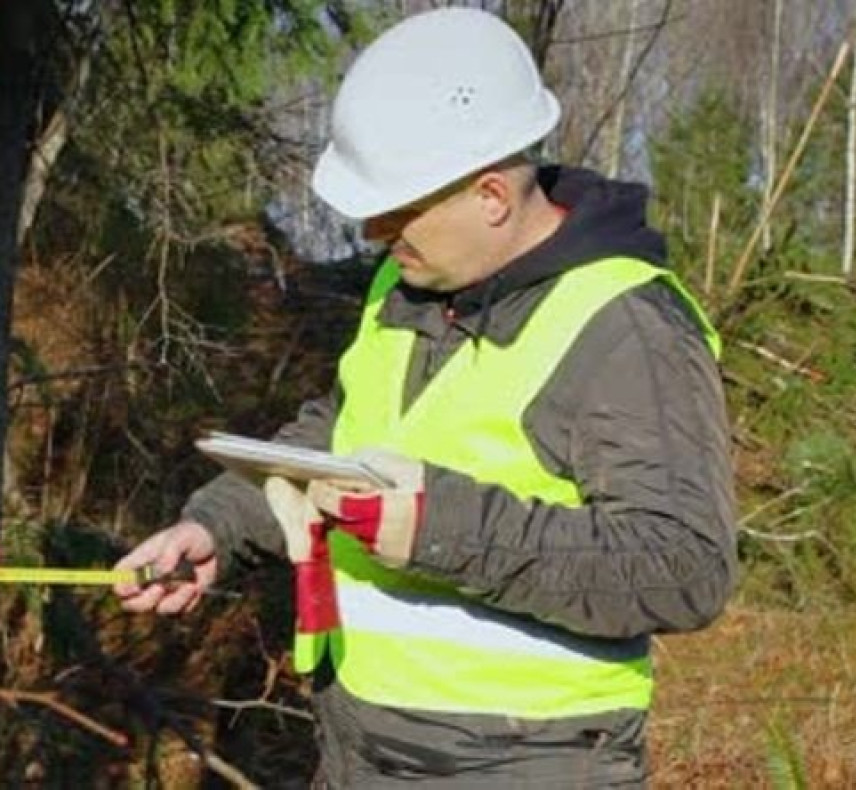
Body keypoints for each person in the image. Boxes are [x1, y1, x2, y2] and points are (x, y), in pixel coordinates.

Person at [113, 7, 738, 788]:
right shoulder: (410, 281)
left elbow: (683, 566)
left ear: (490, 197)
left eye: (398, 208)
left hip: (526, 764)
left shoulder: (626, 325)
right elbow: (344, 435)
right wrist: (219, 523)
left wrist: (439, 528)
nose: (375, 230)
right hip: (358, 747)